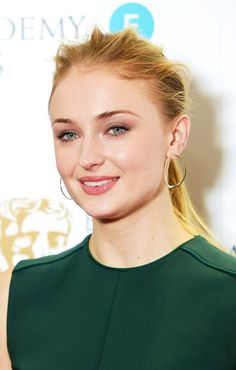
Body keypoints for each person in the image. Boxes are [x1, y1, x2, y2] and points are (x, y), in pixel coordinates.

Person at [1, 27, 236, 370]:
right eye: (68, 134)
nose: (87, 157)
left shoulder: (227, 298)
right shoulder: (13, 297)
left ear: (175, 136)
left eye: (116, 129)